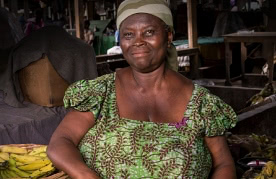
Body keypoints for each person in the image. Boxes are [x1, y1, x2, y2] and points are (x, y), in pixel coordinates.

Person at [47, 0, 237, 178]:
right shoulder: (100, 92)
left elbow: (223, 164)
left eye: (148, 32)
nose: (138, 41)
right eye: (129, 34)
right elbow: (60, 142)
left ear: (168, 36)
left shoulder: (202, 104)